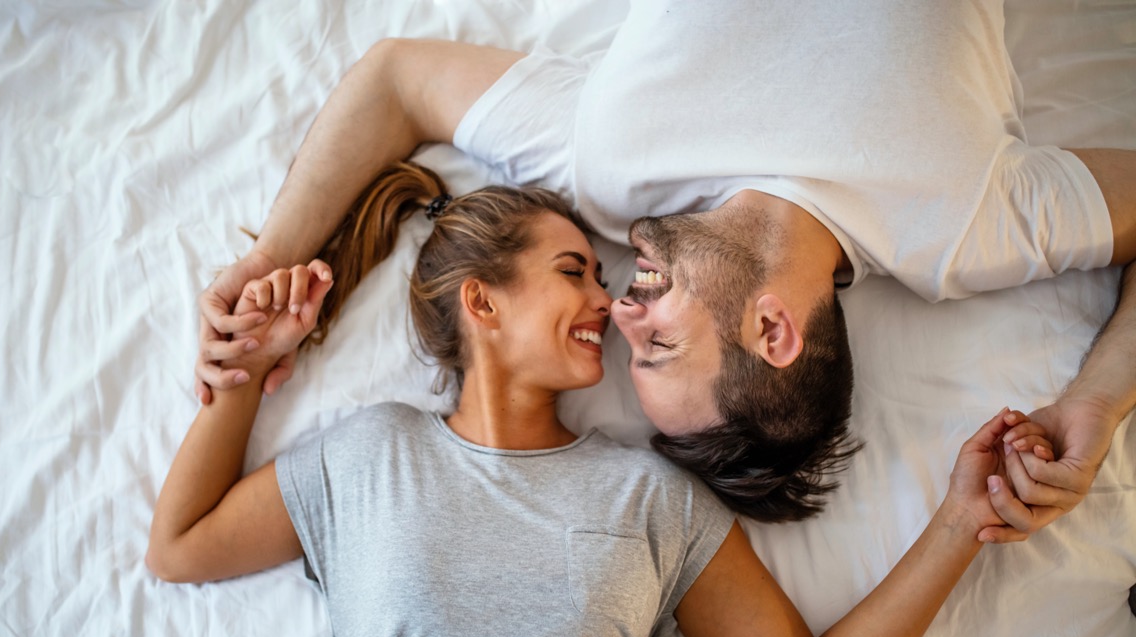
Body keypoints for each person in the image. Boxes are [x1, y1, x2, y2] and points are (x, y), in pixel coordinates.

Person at [194, 3, 1136, 527]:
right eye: (660, 347)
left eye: (631, 349)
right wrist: (1097, 402)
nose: (618, 315)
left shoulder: (609, 178)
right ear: (773, 329)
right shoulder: (968, 227)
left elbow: (396, 77)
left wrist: (277, 253)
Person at [150, 161, 1053, 637]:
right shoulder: (366, 456)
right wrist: (253, 366)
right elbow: (180, 545)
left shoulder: (652, 498)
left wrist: (959, 522)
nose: (605, 294)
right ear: (484, 302)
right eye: (573, 270)